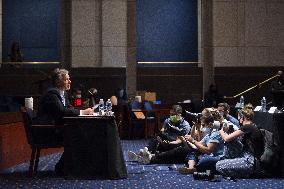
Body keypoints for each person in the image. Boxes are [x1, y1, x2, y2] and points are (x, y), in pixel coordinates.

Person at [36, 68, 94, 175]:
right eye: (67, 79)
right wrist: (83, 112)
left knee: (83, 133)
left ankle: (66, 166)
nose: (70, 81)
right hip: (48, 131)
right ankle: (63, 167)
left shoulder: (63, 94)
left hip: (58, 128)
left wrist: (82, 111)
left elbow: (69, 108)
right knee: (80, 135)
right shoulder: (52, 94)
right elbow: (62, 111)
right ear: (58, 82)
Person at [216, 106, 265, 178]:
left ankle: (248, 174)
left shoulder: (247, 127)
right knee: (232, 142)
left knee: (218, 165)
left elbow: (226, 138)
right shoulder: (253, 126)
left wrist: (221, 130)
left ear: (243, 118)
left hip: (250, 161)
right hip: (252, 159)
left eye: (239, 118)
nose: (239, 120)